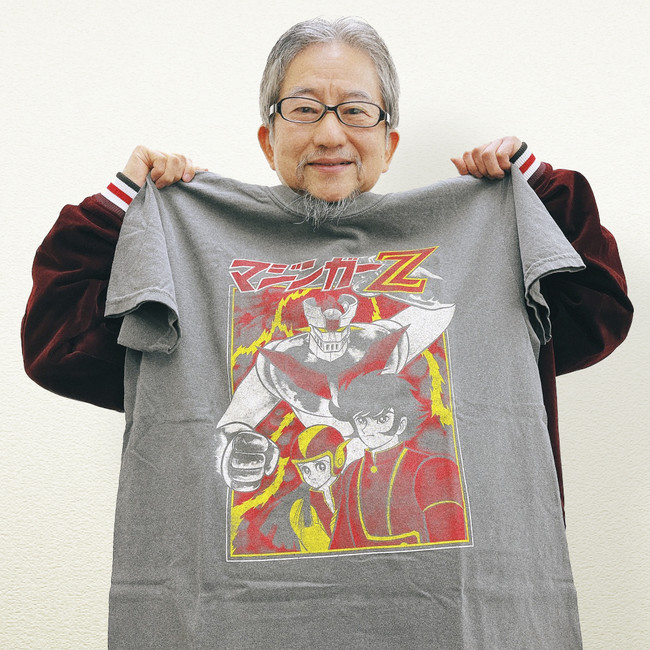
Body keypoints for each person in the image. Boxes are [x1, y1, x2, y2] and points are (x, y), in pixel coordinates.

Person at [22, 16, 632, 649]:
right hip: (245, 627)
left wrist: (534, 188)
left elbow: (594, 311)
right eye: (305, 109)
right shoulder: (210, 272)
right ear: (269, 138)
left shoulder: (464, 250)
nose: (330, 133)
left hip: (445, 622)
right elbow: (56, 347)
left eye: (356, 111)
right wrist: (124, 202)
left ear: (389, 141)